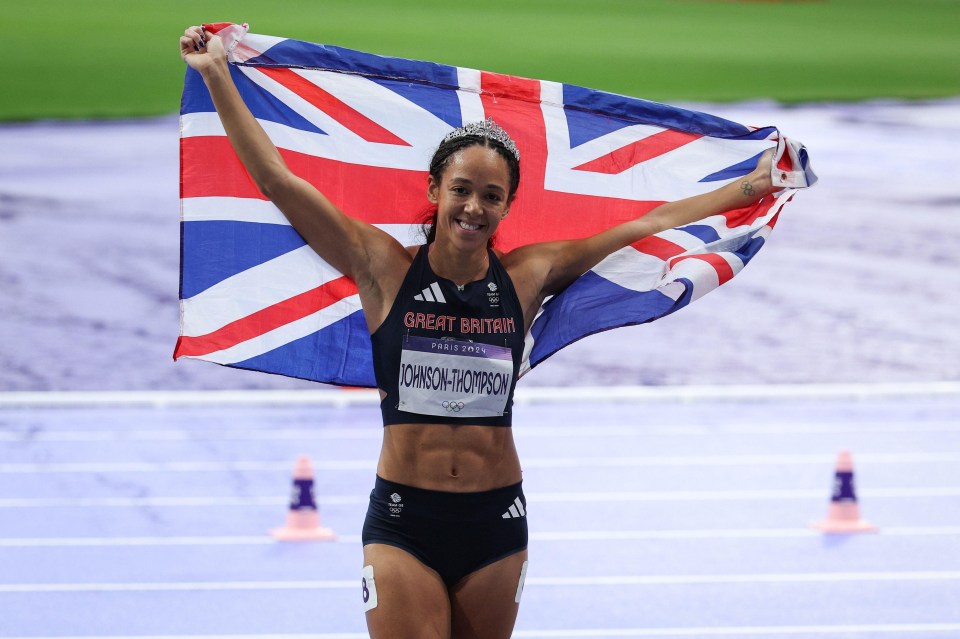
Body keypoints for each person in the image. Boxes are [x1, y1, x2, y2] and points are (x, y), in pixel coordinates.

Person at [180, 26, 777, 639]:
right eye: (461, 190)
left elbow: (651, 220)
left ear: (507, 207)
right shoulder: (382, 267)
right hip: (404, 520)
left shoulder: (529, 275)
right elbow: (279, 181)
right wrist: (218, 74)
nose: (473, 207)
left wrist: (752, 187)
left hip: (497, 521)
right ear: (436, 191)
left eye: (491, 196)